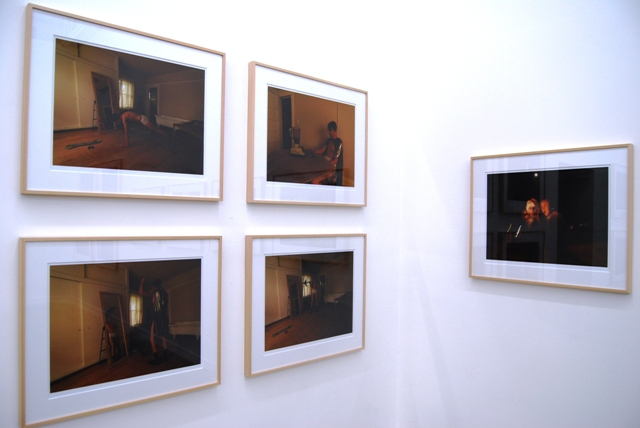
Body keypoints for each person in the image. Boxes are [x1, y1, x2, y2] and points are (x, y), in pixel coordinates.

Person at [139, 278, 169, 365]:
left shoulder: (154, 293)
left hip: (156, 317)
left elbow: (141, 292)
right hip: (164, 317)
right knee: (163, 335)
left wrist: (142, 282)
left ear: (153, 286)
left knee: (152, 337)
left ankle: (157, 357)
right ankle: (165, 354)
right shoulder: (164, 293)